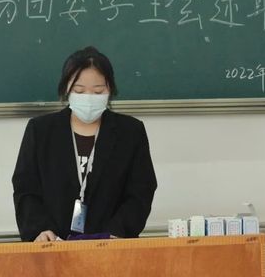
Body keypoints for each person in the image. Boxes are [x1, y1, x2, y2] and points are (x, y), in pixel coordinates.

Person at [12, 46, 157, 242]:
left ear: (110, 89)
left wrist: (118, 231)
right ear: (66, 89)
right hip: (53, 246)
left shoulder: (130, 132)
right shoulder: (40, 131)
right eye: (79, 91)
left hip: (112, 246)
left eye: (98, 91)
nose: (88, 98)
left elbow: (141, 190)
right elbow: (25, 188)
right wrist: (40, 229)